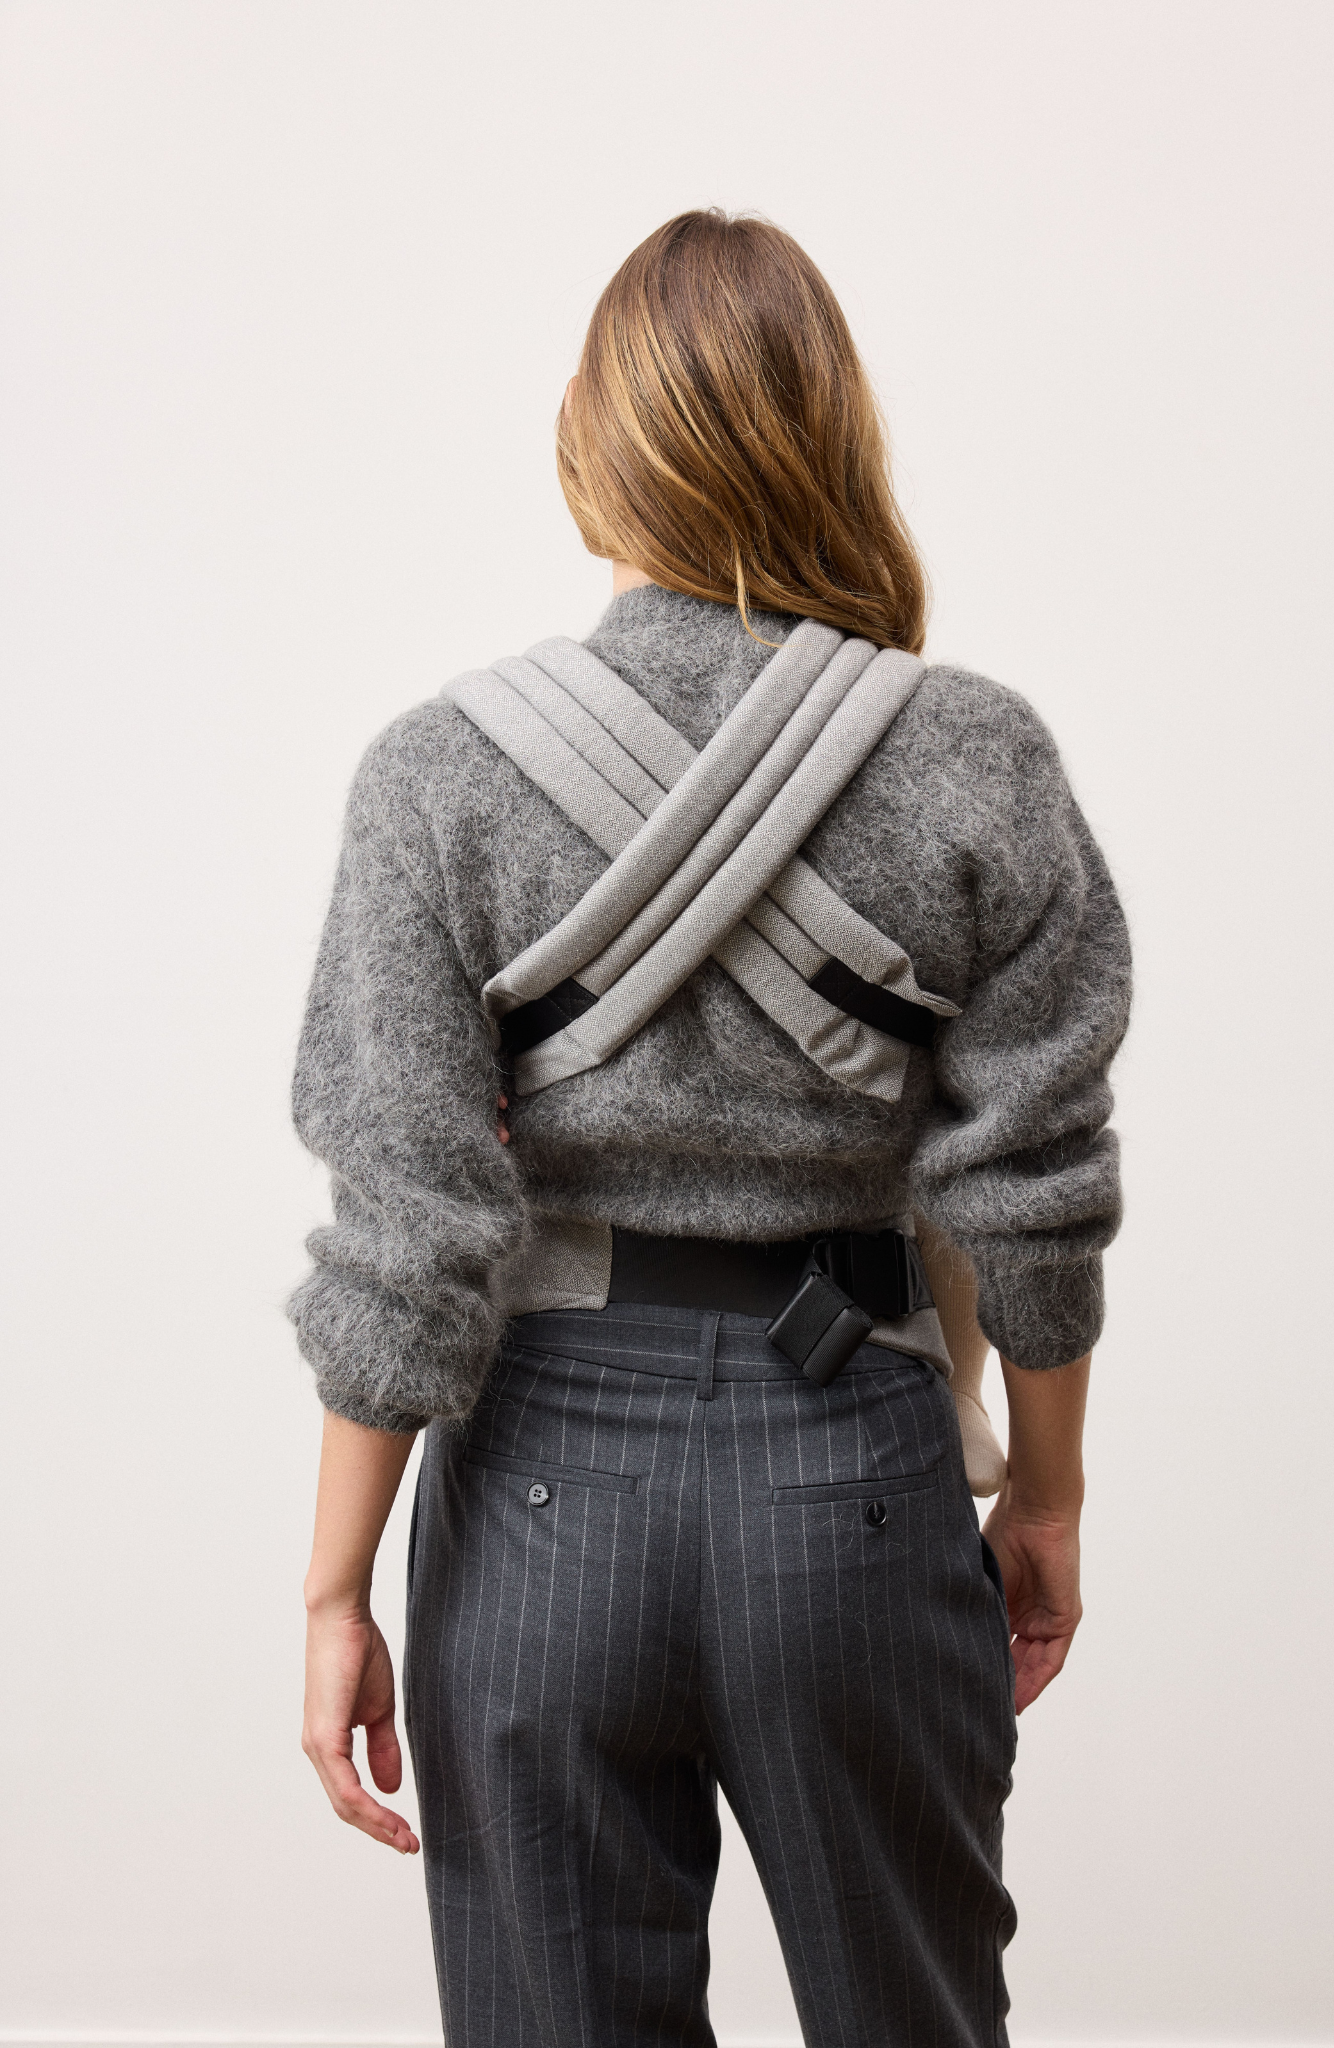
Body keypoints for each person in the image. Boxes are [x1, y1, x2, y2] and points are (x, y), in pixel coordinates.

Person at [291, 209, 1131, 2048]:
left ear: (588, 437)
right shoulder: (974, 756)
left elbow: (407, 1231)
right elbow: (1035, 1195)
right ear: (832, 429)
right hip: (854, 1467)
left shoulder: (437, 775)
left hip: (536, 1483)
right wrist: (1048, 1494)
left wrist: (336, 1588)